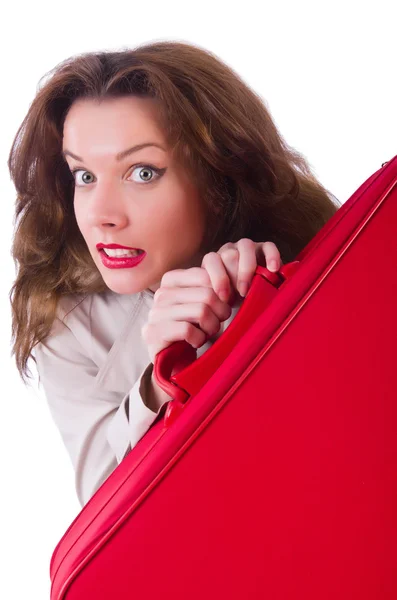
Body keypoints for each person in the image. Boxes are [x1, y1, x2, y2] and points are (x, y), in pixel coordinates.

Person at [8, 40, 341, 508]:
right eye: (84, 176)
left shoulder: (311, 258)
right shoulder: (61, 311)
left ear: (218, 178)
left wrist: (265, 309)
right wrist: (158, 380)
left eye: (142, 172)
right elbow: (103, 513)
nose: (102, 215)